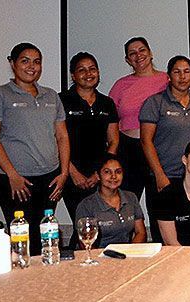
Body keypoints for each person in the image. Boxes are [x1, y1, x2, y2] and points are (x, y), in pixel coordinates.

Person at [0, 43, 69, 255]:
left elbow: (62, 136)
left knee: (45, 236)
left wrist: (64, 173)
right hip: (13, 180)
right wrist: (12, 174)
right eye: (25, 60)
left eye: (37, 61)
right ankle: (20, 283)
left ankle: (42, 285)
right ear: (12, 64)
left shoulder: (51, 96)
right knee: (22, 238)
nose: (32, 66)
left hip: (50, 178)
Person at [139, 55, 190, 240]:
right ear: (169, 76)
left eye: (186, 71)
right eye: (177, 72)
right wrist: (159, 175)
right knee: (163, 237)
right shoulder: (155, 103)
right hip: (164, 178)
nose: (182, 76)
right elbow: (146, 141)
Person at [59, 52, 120, 236]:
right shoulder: (61, 101)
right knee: (82, 226)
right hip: (70, 174)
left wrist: (100, 173)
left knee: (99, 227)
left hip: (99, 175)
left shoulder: (107, 103)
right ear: (73, 75)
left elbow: (114, 140)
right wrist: (73, 173)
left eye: (92, 69)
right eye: (82, 70)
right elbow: (57, 139)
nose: (88, 73)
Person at [108, 37, 169, 199]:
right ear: (128, 60)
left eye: (142, 50)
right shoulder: (120, 85)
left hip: (158, 147)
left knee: (159, 201)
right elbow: (109, 119)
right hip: (128, 150)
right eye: (132, 53)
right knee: (126, 200)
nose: (138, 55)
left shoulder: (167, 80)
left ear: (150, 53)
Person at [74, 155, 146, 248]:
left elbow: (141, 232)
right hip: (100, 257)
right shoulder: (87, 205)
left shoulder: (131, 197)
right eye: (107, 172)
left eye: (118, 172)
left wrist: (129, 253)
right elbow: (85, 243)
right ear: (98, 176)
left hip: (127, 255)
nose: (114, 176)